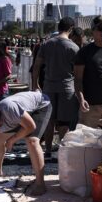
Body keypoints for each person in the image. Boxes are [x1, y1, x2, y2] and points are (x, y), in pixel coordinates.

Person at [32, 17, 80, 146]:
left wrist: (34, 84)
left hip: (49, 86)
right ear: (71, 29)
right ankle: (62, 149)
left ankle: (47, 149)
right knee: (64, 122)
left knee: (49, 120)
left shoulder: (46, 44)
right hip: (67, 88)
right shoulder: (74, 47)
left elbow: (36, 66)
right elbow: (78, 72)